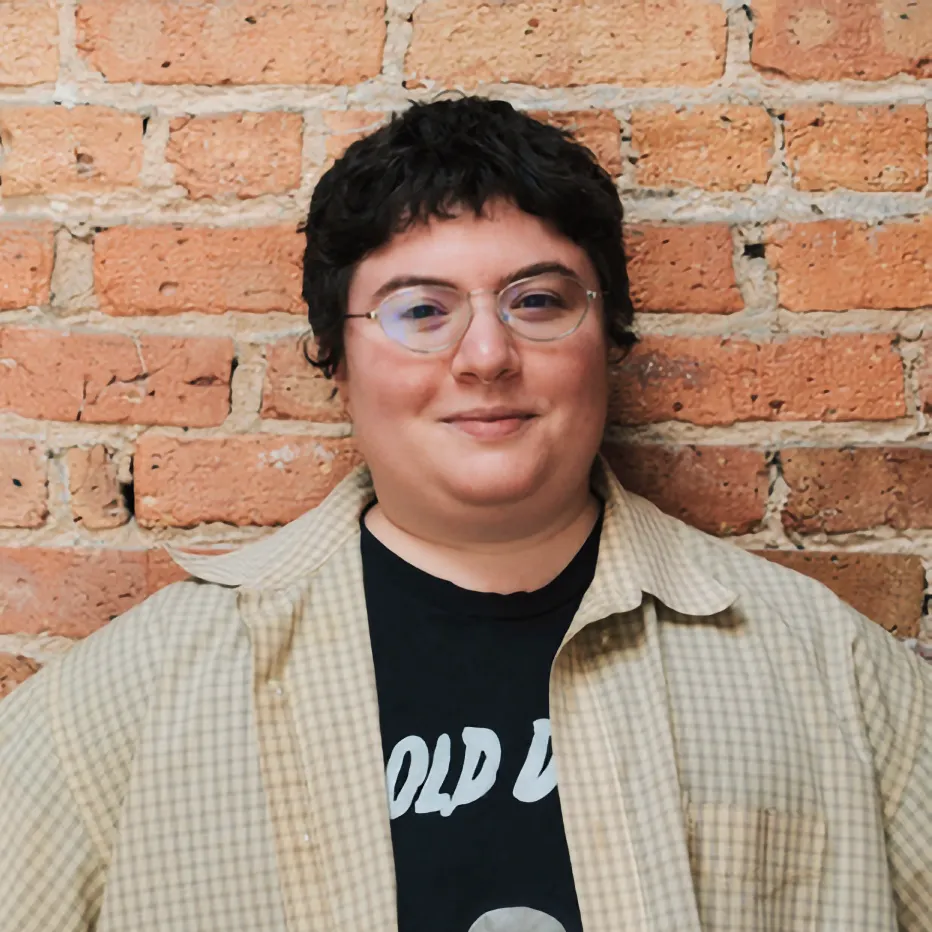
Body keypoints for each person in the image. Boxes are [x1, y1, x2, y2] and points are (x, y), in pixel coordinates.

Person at [0, 96, 929, 932]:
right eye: (420, 311)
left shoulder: (829, 672)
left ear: (607, 336)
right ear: (336, 357)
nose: (486, 355)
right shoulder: (126, 709)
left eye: (536, 302)